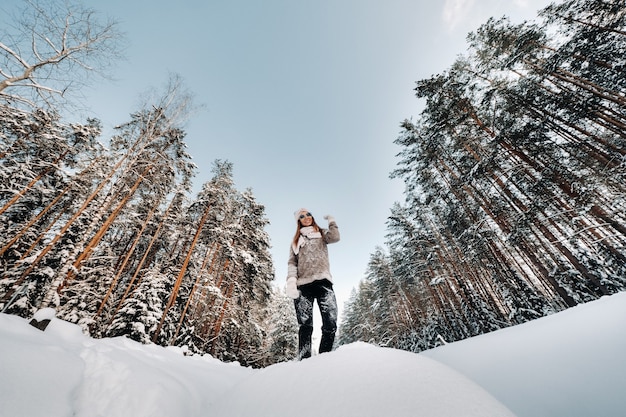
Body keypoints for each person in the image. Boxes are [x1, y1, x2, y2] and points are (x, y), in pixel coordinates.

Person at [286, 208, 340, 360]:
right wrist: (291, 281)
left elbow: (335, 237)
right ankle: (305, 360)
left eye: (308, 214)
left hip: (323, 282)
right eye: (302, 216)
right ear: (299, 221)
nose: (306, 217)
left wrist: (332, 221)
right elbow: (292, 263)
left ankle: (324, 358)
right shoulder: (296, 241)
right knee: (305, 325)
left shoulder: (321, 233)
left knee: (330, 323)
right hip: (303, 285)